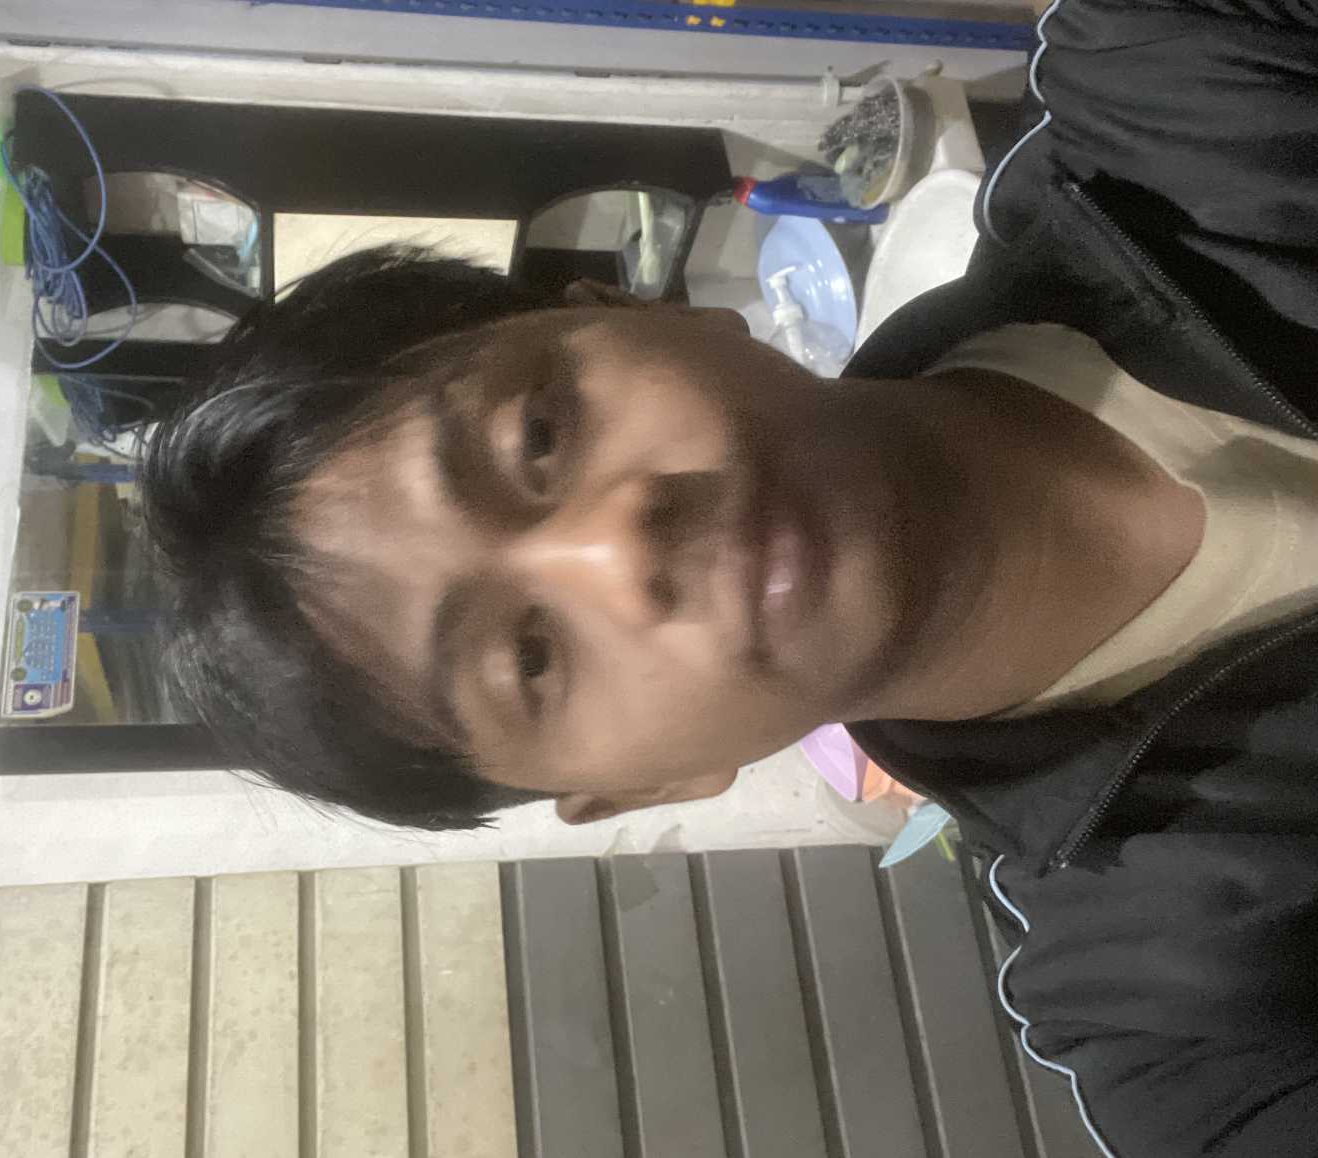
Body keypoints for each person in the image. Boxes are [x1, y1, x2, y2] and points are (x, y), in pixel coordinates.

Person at [139, 0, 1318, 1152]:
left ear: (638, 310)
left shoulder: (1184, 81)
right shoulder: (1191, 1024)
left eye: (538, 437)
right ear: (644, 785)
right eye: (529, 658)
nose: (622, 549)